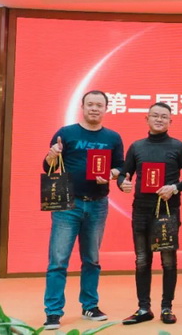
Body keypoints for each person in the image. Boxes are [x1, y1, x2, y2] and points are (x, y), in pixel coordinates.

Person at [41, 90, 124, 330]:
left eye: (99, 105)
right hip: (68, 204)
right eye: (90, 104)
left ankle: (90, 306)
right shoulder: (65, 133)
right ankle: (53, 312)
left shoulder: (113, 137)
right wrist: (51, 155)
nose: (94, 108)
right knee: (58, 260)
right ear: (83, 106)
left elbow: (120, 167)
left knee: (92, 259)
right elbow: (48, 167)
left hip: (98, 203)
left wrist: (112, 174)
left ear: (106, 109)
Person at [116, 102, 182, 325]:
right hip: (141, 211)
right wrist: (122, 183)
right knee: (142, 260)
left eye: (164, 116)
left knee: (168, 261)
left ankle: (166, 308)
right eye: (155, 115)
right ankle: (143, 308)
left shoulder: (178, 147)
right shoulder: (137, 147)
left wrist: (175, 188)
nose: (159, 119)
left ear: (170, 121)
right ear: (147, 119)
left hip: (167, 212)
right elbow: (124, 174)